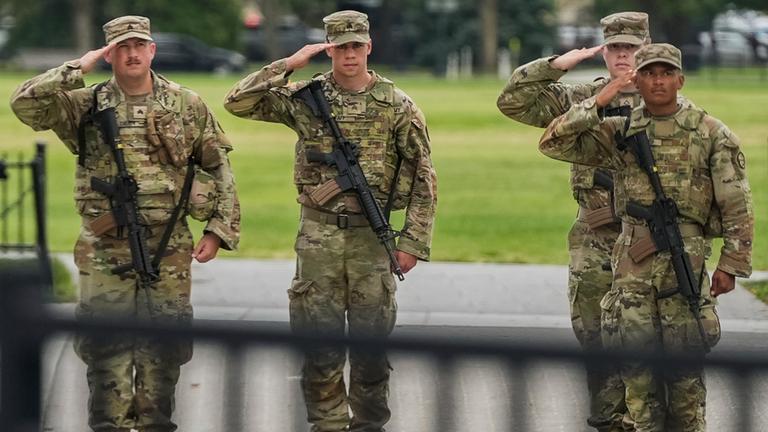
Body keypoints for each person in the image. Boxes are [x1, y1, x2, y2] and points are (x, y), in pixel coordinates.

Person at [11, 15, 240, 432]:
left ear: (152, 49)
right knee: (105, 349)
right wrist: (75, 70)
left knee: (165, 349)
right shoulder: (85, 104)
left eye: (139, 45)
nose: (132, 54)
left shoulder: (186, 104)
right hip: (104, 248)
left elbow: (219, 166)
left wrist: (218, 229)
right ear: (109, 54)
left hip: (168, 245)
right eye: (121, 47)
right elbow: (24, 103)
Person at [224, 9, 436, 432]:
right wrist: (288, 64)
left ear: (369, 47)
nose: (350, 54)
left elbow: (423, 176)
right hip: (318, 235)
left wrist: (412, 241)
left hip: (372, 244)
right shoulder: (306, 97)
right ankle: (326, 425)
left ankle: (369, 425)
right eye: (341, 47)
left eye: (357, 45)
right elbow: (237, 102)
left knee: (371, 352)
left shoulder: (396, 105)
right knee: (318, 350)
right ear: (329, 49)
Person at [539, 43, 753, 431]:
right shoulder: (621, 129)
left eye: (666, 73)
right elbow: (553, 142)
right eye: (650, 73)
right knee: (636, 372)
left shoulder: (709, 132)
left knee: (686, 377)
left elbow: (737, 202)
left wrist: (731, 265)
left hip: (685, 261)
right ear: (637, 79)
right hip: (632, 266)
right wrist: (597, 102)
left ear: (680, 80)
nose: (658, 81)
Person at [497, 12, 650, 431]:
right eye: (616, 48)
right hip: (595, 234)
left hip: (650, 238)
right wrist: (557, 66)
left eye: (632, 48)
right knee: (595, 332)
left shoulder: (664, 99)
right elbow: (512, 101)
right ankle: (605, 419)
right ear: (605, 52)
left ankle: (643, 418)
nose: (624, 57)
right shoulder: (581, 96)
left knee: (647, 335)